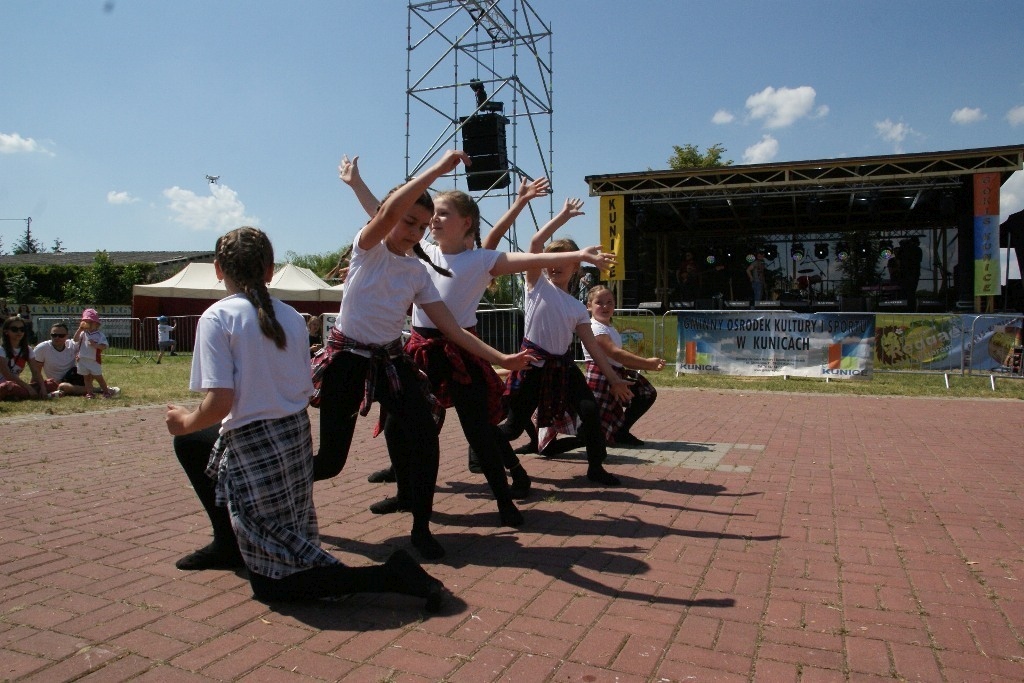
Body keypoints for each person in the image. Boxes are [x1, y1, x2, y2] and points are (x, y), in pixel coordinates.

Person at [165, 226, 446, 610]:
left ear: (217, 269)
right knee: (193, 446)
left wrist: (182, 420)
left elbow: (219, 403)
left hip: (254, 442)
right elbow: (301, 385)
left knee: (275, 587)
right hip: (294, 436)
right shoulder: (292, 317)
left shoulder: (218, 317)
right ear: (270, 270)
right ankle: (228, 544)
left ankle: (389, 574)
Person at [340, 157, 614, 518]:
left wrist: (578, 253)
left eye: (441, 213)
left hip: (460, 349)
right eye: (430, 215)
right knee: (395, 424)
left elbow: (522, 256)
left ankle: (505, 500)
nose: (432, 220)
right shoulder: (423, 252)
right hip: (419, 348)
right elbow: (387, 214)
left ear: (466, 222)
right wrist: (356, 182)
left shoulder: (481, 260)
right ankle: (406, 492)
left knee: (478, 430)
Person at [310, 149, 536, 559]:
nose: (413, 231)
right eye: (407, 221)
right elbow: (386, 212)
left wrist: (499, 359)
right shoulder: (368, 249)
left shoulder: (418, 270)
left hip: (393, 362)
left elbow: (450, 328)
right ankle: (274, 487)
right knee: (329, 462)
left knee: (424, 437)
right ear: (387, 216)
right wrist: (436, 171)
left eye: (420, 225)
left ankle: (420, 528)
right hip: (348, 361)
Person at [498, 198, 634, 486]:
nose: (556, 265)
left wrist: (614, 379)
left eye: (564, 260)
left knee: (590, 412)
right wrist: (563, 216)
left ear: (576, 267)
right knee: (511, 427)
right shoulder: (535, 285)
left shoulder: (575, 307)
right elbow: (535, 242)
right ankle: (482, 447)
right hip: (532, 365)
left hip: (563, 368)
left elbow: (594, 347)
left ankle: (596, 468)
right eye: (552, 259)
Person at [583, 285, 665, 446]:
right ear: (589, 306)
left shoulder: (608, 326)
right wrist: (648, 363)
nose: (605, 306)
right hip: (602, 375)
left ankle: (620, 431)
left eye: (609, 302)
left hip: (615, 372)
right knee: (593, 422)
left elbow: (618, 354)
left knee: (645, 393)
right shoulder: (594, 327)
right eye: (599, 302)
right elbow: (615, 353)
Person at [31, 321, 95, 397]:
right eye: (54, 335)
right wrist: (32, 387)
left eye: (61, 335)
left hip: (74, 376)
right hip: (57, 383)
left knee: (90, 367)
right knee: (63, 387)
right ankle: (93, 389)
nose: (57, 338)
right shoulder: (42, 348)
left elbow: (90, 348)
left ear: (66, 336)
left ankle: (92, 389)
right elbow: (36, 372)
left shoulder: (72, 345)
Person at [73, 308, 116, 399]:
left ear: (96, 324)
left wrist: (95, 345)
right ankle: (90, 393)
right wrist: (80, 329)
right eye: (85, 321)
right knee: (86, 378)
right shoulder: (83, 333)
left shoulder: (99, 335)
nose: (87, 323)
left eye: (90, 322)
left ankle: (106, 392)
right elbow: (75, 339)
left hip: (94, 360)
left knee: (98, 377)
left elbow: (104, 346)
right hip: (83, 359)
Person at [0, 315, 45, 401]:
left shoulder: (27, 349)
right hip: (4, 385)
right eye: (14, 329)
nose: (19, 332)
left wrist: (43, 388)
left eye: (22, 329)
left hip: (16, 385)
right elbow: (8, 375)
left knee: (50, 384)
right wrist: (29, 388)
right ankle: (17, 394)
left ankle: (16, 395)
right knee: (7, 386)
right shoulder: (1, 350)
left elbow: (36, 372)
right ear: (6, 331)